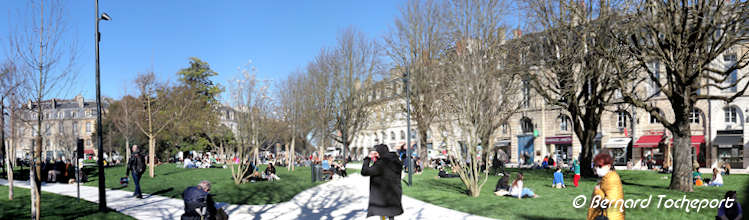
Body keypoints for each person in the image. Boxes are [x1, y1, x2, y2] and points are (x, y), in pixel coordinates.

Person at [361, 144, 403, 219]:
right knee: (390, 214)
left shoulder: (381, 163)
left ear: (380, 152)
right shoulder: (396, 160)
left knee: (383, 212)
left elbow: (365, 172)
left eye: (376, 153)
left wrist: (367, 159)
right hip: (394, 193)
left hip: (383, 195)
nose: (376, 154)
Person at [587, 153, 624, 220]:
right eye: (595, 165)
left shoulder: (611, 178)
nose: (596, 168)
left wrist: (597, 191)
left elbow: (611, 199)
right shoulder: (606, 178)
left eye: (599, 166)